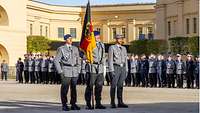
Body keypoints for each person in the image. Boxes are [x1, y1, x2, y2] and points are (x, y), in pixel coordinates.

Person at [54, 34, 81, 111]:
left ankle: (73, 103)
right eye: (69, 39)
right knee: (65, 88)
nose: (71, 40)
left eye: (71, 38)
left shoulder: (75, 48)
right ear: (65, 40)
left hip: (74, 71)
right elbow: (56, 61)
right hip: (66, 70)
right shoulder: (61, 49)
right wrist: (60, 71)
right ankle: (64, 104)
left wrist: (78, 70)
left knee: (74, 88)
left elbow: (78, 60)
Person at [84, 31, 106, 109]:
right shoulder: (89, 45)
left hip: (99, 68)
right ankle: (88, 103)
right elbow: (84, 54)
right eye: (96, 36)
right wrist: (87, 59)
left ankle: (98, 103)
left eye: (99, 36)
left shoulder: (102, 44)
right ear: (93, 37)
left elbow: (103, 56)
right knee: (90, 86)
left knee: (99, 86)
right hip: (91, 67)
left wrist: (103, 65)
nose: (98, 37)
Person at [108, 34, 128, 108]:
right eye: (119, 39)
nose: (121, 40)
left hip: (122, 68)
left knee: (120, 85)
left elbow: (125, 60)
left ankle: (120, 102)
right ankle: (112, 102)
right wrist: (111, 70)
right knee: (113, 85)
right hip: (115, 67)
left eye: (121, 39)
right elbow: (110, 60)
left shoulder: (124, 48)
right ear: (116, 39)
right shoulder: (112, 47)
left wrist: (126, 70)